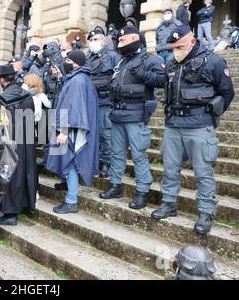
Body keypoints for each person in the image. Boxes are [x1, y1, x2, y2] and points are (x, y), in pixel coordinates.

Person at [151, 25, 235, 235]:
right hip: (173, 127)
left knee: (202, 173)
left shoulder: (214, 62)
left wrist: (211, 114)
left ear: (192, 41)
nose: (175, 50)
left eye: (179, 46)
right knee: (170, 169)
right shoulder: (172, 63)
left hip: (199, 127)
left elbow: (227, 93)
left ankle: (206, 212)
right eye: (173, 47)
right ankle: (169, 204)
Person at [100, 26, 167, 209]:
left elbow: (163, 80)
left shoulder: (151, 59)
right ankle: (115, 185)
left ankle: (142, 191)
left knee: (139, 155)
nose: (119, 44)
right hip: (118, 114)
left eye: (122, 41)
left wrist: (143, 74)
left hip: (136, 115)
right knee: (116, 153)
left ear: (134, 39)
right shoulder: (121, 62)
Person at [46, 50, 99, 214]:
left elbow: (74, 109)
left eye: (68, 60)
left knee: (69, 163)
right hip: (72, 127)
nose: (65, 62)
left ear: (75, 63)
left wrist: (64, 131)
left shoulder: (77, 81)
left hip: (71, 129)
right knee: (67, 163)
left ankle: (71, 201)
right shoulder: (79, 78)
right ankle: (69, 192)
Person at [0, 64, 37, 226]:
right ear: (15, 77)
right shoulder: (28, 95)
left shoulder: (2, 99)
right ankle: (26, 203)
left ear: (2, 80)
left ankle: (10, 213)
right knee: (27, 171)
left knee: (11, 173)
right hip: (28, 139)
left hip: (11, 141)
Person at [86, 27, 121, 178]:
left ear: (104, 40)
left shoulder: (113, 56)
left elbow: (118, 78)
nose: (93, 42)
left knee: (105, 134)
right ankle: (94, 162)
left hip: (105, 101)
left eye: (96, 39)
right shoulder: (88, 59)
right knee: (92, 135)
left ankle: (107, 163)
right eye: (91, 40)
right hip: (90, 102)